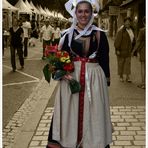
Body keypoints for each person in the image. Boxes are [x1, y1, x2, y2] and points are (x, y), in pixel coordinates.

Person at [46, 0, 112, 148]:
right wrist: (59, 71)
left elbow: (104, 59)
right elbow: (58, 57)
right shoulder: (66, 34)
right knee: (69, 113)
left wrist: (105, 82)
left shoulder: (100, 35)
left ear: (91, 13)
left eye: (86, 11)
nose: (83, 15)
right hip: (71, 80)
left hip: (94, 82)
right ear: (75, 13)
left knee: (94, 113)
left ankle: (93, 142)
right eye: (80, 11)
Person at [114, 17, 135, 82]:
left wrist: (134, 51)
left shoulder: (132, 30)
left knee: (128, 64)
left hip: (128, 51)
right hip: (121, 50)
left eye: (129, 22)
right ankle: (121, 76)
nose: (127, 23)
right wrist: (117, 49)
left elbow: (133, 41)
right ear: (124, 23)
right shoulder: (121, 31)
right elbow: (117, 41)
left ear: (130, 23)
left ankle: (127, 77)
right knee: (121, 64)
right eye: (126, 22)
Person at [132, 17, 145, 89]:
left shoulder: (142, 30)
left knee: (143, 67)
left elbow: (138, 42)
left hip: (144, 50)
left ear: (144, 23)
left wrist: (134, 51)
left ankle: (143, 83)